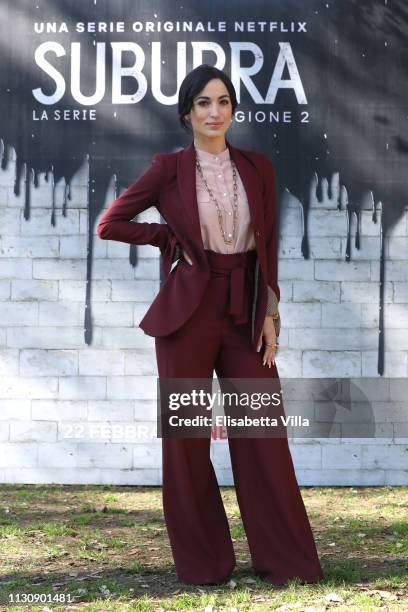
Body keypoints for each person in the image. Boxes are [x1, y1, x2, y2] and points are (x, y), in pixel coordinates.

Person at [97, 64, 324, 587]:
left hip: (245, 307)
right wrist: (167, 239)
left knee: (262, 432)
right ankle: (204, 566)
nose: (214, 112)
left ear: (233, 110)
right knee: (187, 439)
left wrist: (271, 314)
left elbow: (266, 249)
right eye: (203, 103)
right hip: (188, 312)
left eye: (223, 102)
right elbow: (111, 223)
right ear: (187, 113)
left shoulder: (257, 167)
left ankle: (287, 562)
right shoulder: (167, 167)